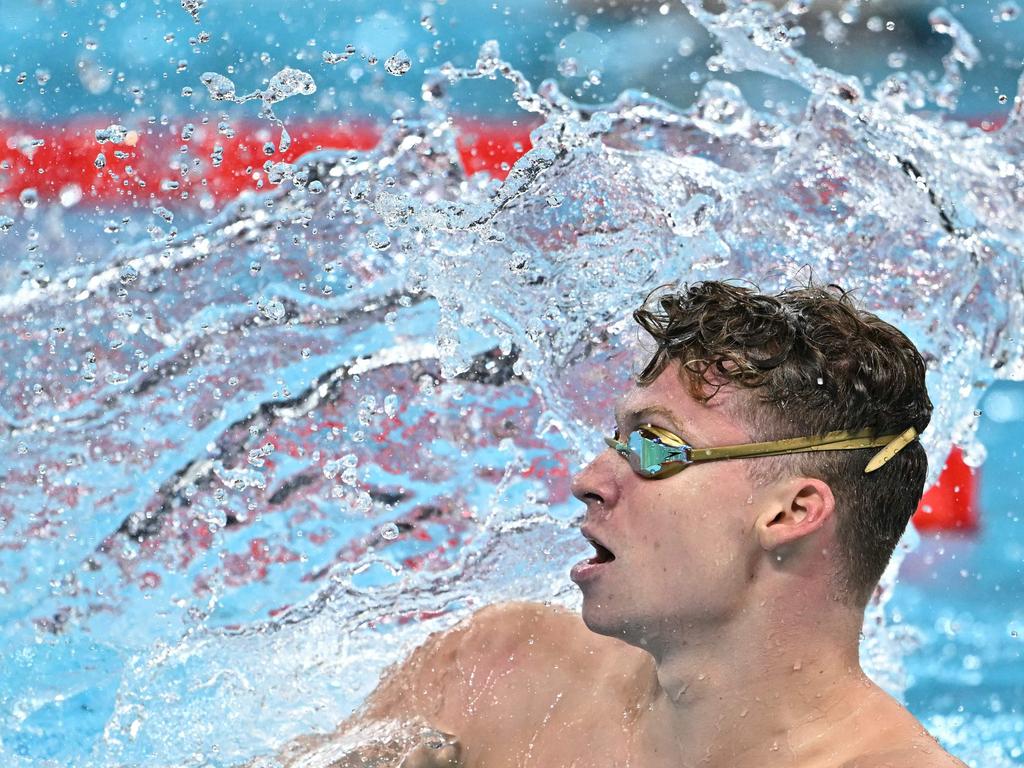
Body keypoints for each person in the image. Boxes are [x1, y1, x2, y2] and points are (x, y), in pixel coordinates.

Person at [270, 280, 967, 768]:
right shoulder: (490, 677)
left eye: (655, 447)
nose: (589, 482)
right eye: (616, 439)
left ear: (790, 513)